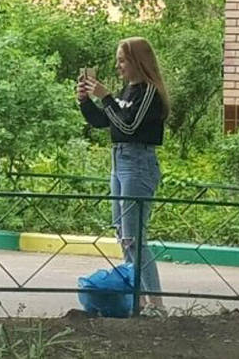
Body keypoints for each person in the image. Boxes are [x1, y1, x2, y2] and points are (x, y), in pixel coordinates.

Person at [77, 37, 169, 310]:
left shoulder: (149, 93)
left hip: (137, 162)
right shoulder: (125, 92)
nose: (118, 66)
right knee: (123, 235)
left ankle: (156, 303)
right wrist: (85, 101)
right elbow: (105, 121)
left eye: (122, 61)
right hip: (119, 160)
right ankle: (136, 299)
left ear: (137, 62)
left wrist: (106, 97)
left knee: (135, 238)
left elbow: (129, 127)